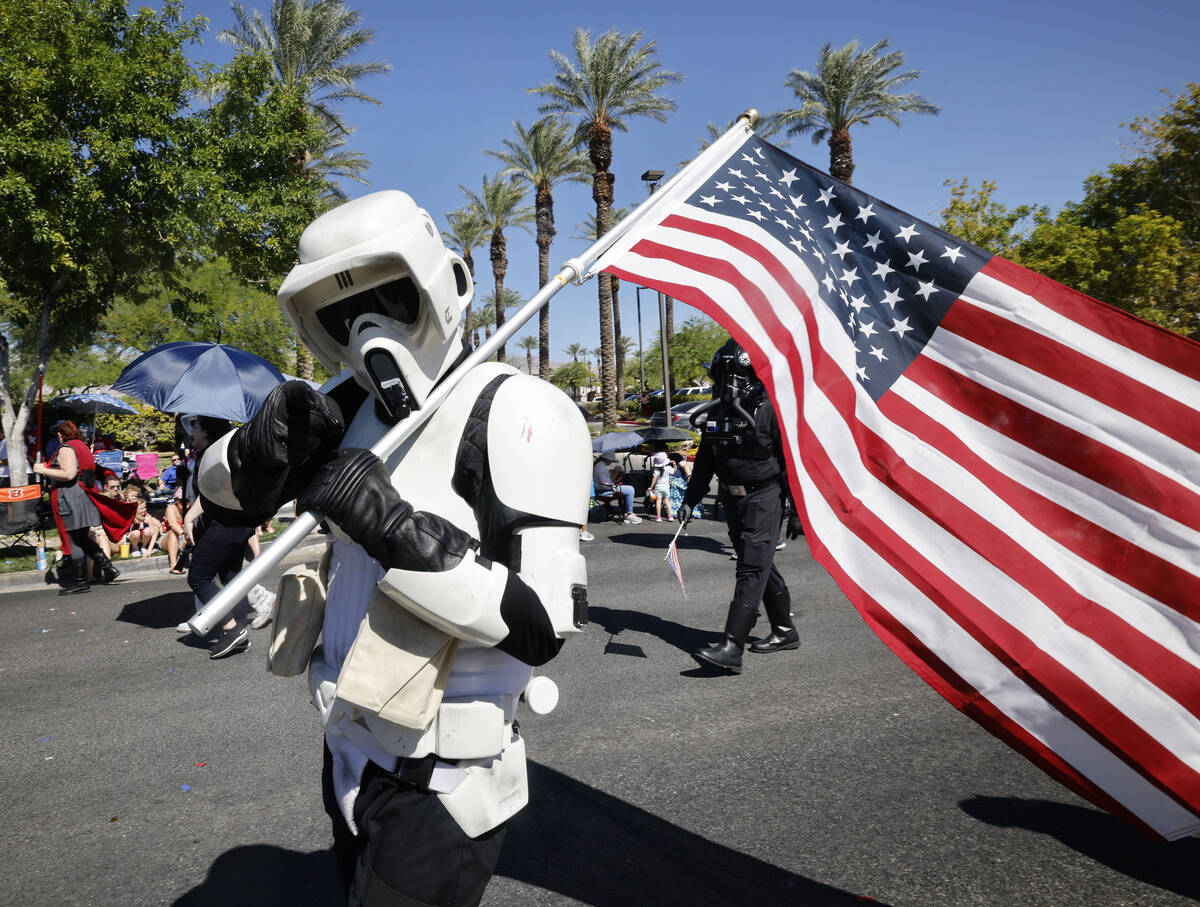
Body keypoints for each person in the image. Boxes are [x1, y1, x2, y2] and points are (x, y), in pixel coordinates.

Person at [196, 189, 591, 906]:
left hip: (446, 775)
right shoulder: (344, 404)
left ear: (448, 285)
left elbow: (539, 624)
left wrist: (392, 526)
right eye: (340, 314)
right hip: (346, 745)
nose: (366, 329)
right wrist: (257, 450)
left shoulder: (519, 411)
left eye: (389, 298)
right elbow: (221, 494)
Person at [678, 339, 804, 674]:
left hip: (764, 496)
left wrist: (798, 512)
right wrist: (690, 500)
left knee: (750, 567)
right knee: (759, 565)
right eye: (722, 374)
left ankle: (732, 645)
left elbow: (792, 464)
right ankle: (785, 630)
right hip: (732, 500)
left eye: (733, 373)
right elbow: (706, 460)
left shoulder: (770, 410)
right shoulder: (717, 412)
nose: (727, 382)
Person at [178, 415, 273, 655]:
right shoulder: (226, 449)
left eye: (196, 426)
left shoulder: (214, 455)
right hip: (237, 523)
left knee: (199, 578)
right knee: (230, 576)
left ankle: (232, 630)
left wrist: (189, 518)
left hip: (224, 522)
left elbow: (211, 493)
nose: (192, 431)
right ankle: (248, 615)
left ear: (207, 431)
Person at [32, 420, 128, 594]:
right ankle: (108, 568)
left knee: (74, 539)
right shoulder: (81, 445)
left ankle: (81, 582)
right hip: (81, 495)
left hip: (71, 497)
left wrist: (43, 470)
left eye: (58, 435)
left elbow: (69, 474)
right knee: (82, 538)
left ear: (61, 435)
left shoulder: (66, 448)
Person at [592, 453, 642, 525]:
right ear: (608, 460)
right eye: (611, 461)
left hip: (600, 489)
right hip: (603, 491)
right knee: (630, 489)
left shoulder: (599, 465)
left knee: (626, 489)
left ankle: (627, 512)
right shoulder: (601, 467)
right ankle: (629, 514)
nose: (611, 463)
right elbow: (605, 484)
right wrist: (615, 474)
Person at [648, 444, 675, 522]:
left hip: (658, 487)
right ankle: (670, 516)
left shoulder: (656, 470)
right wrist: (674, 465)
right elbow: (674, 472)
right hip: (666, 487)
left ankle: (658, 516)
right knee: (667, 501)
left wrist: (651, 487)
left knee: (658, 502)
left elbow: (654, 478)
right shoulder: (668, 468)